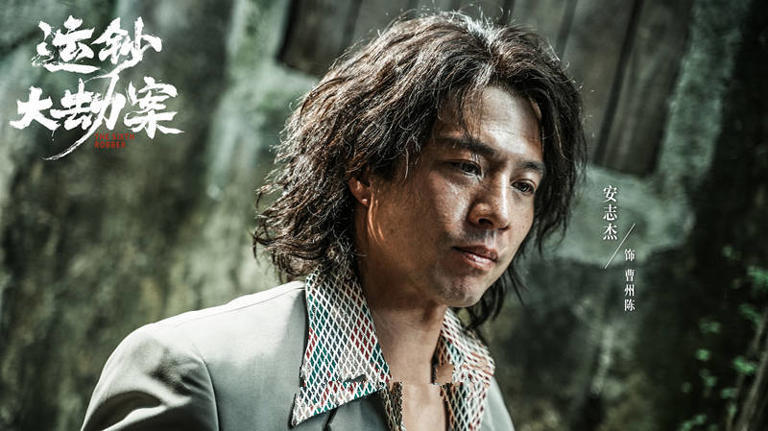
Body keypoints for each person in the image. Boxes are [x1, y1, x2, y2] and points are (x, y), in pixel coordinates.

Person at [81, 11, 584, 431]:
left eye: (524, 185)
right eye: (466, 166)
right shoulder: (200, 372)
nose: (497, 211)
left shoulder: (481, 398)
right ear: (364, 170)